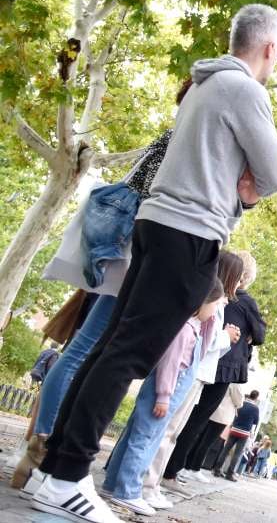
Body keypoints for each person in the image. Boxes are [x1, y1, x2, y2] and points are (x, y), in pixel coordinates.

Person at [31, 4, 277, 523]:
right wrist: (249, 187)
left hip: (156, 226)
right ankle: (66, 477)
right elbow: (276, 172)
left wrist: (244, 183)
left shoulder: (202, 86)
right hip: (190, 234)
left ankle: (53, 469)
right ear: (268, 49)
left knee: (110, 347)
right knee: (127, 356)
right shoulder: (245, 91)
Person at [13, 92, 185, 494]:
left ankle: (38, 449)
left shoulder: (172, 133)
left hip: (119, 245)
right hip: (132, 248)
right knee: (91, 348)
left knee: (85, 348)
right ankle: (45, 453)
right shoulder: (183, 137)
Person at [98, 273, 225, 516]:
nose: (217, 311)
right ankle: (128, 490)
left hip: (163, 393)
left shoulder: (195, 326)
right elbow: (170, 364)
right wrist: (164, 395)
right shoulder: (186, 329)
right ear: (201, 301)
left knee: (136, 436)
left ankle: (113, 483)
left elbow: (206, 344)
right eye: (216, 304)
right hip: (162, 393)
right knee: (144, 440)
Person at [141, 251, 244, 509]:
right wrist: (225, 337)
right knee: (166, 431)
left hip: (197, 375)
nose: (241, 283)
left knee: (170, 432)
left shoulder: (218, 303)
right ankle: (146, 484)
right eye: (239, 277)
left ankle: (148, 484)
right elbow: (204, 343)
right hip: (192, 372)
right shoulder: (210, 301)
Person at [162, 250, 263, 488]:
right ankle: (171, 470)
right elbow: (259, 333)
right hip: (221, 363)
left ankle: (170, 468)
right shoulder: (244, 301)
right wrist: (243, 335)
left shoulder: (212, 290)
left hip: (201, 358)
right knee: (192, 419)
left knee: (183, 417)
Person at [213, 390, 261, 480]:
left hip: (234, 429)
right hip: (244, 433)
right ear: (256, 397)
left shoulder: (241, 403)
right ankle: (229, 474)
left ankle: (217, 469)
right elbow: (256, 421)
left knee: (225, 450)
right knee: (237, 454)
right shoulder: (255, 408)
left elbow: (235, 414)